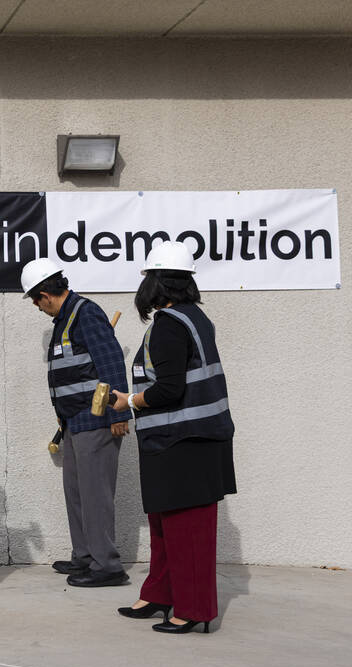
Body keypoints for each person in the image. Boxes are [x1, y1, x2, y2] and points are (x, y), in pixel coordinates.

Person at [111, 241, 235, 634]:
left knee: (187, 530)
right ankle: (160, 593)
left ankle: (194, 609)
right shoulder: (194, 317)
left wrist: (127, 400)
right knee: (165, 523)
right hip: (184, 440)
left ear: (156, 283)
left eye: (147, 277)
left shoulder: (168, 325)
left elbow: (168, 390)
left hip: (184, 442)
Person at [21, 257, 132, 588]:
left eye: (35, 301)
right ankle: (85, 556)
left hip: (97, 420)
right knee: (77, 492)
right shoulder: (65, 320)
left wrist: (118, 414)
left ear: (44, 294)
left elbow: (110, 363)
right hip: (74, 422)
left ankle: (107, 565)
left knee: (95, 494)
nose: (38, 308)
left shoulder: (86, 313)